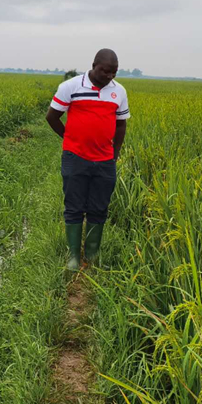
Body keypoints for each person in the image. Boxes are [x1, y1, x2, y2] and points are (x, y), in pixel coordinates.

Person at [45, 48, 130, 271]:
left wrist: (116, 152)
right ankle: (73, 256)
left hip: (105, 160)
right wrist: (69, 137)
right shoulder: (70, 87)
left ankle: (92, 254)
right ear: (94, 65)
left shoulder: (118, 92)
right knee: (73, 206)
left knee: (99, 207)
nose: (110, 76)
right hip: (75, 158)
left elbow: (121, 124)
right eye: (105, 71)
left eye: (114, 72)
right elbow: (52, 116)